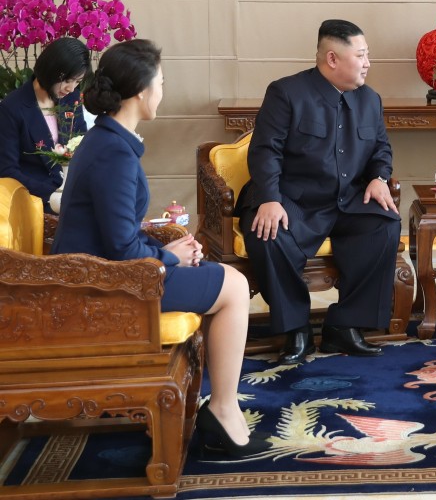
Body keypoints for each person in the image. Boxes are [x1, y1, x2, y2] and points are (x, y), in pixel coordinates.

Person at [51, 40, 269, 458]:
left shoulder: (108, 141)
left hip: (101, 276)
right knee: (235, 287)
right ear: (141, 91)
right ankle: (222, 409)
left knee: (229, 281)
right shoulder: (113, 152)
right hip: (104, 290)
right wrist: (172, 256)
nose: (163, 91)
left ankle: (222, 408)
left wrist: (169, 248)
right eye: (162, 83)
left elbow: (119, 234)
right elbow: (120, 249)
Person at [236, 19, 400, 364]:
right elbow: (265, 150)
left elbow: (381, 149)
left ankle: (346, 325)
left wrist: (379, 177)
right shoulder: (286, 92)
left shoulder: (370, 100)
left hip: (346, 200)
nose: (368, 63)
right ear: (332, 59)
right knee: (267, 233)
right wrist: (269, 198)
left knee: (383, 225)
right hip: (292, 197)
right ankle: (296, 330)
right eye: (362, 55)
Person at [0, 37, 90, 211]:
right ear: (50, 69)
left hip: (73, 194)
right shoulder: (11, 108)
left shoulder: (72, 99)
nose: (71, 88)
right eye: (68, 80)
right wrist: (53, 195)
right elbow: (7, 170)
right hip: (34, 201)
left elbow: (83, 146)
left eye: (77, 81)